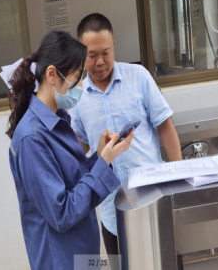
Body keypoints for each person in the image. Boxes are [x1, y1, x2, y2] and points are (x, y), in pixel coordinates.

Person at [5, 31, 134, 270]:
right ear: (52, 74)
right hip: (61, 260)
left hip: (82, 253)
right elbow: (61, 212)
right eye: (77, 77)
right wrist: (102, 164)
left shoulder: (56, 120)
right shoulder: (32, 138)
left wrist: (101, 155)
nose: (82, 85)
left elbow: (74, 180)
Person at [70, 14, 182, 264]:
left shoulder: (138, 76)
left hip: (155, 200)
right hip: (111, 211)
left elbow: (165, 125)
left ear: (113, 47)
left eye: (106, 52)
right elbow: (79, 149)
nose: (100, 62)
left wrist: (178, 175)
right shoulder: (76, 98)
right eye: (91, 55)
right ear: (81, 54)